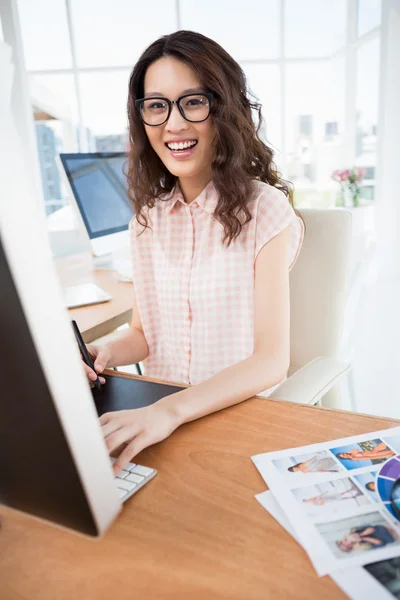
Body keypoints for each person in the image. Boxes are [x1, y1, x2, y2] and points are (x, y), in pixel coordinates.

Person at [82, 30, 304, 474]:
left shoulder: (266, 211)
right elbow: (145, 336)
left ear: (224, 110)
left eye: (193, 102)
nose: (174, 124)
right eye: (157, 105)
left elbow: (270, 360)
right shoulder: (147, 221)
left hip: (231, 418)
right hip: (160, 421)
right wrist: (99, 351)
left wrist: (170, 411)